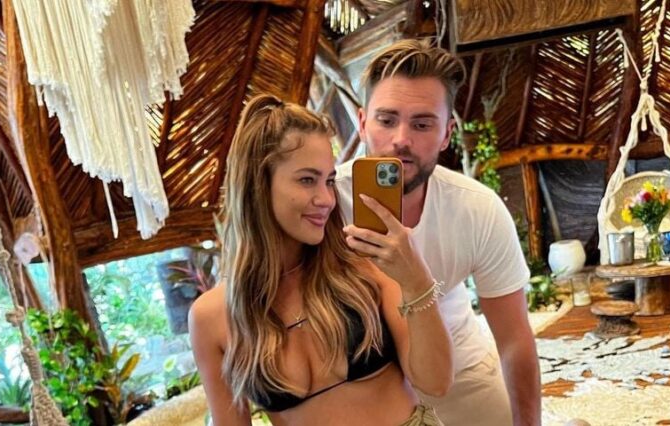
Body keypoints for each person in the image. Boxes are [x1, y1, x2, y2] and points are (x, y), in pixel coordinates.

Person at [189, 93, 455, 425]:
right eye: (307, 180)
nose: (327, 199)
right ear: (258, 185)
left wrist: (416, 279)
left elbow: (436, 382)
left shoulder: (364, 268)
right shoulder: (212, 317)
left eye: (329, 181)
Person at [337, 39, 541, 426]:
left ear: (447, 134)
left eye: (422, 124)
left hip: (460, 371)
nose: (401, 139)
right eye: (386, 120)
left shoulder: (476, 209)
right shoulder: (325, 204)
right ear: (362, 123)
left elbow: (514, 339)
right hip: (358, 382)